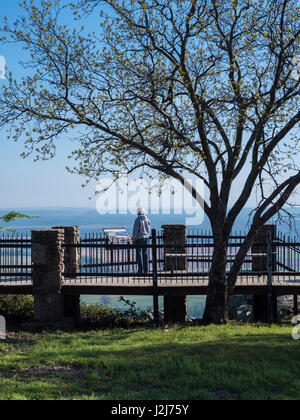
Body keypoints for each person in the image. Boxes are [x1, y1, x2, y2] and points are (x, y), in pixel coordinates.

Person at [132, 207, 151, 274]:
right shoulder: (147, 220)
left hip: (139, 238)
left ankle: (140, 270)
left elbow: (135, 231)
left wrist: (134, 238)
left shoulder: (137, 219)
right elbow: (149, 230)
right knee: (145, 254)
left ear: (138, 212)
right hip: (146, 238)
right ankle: (146, 270)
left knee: (139, 254)